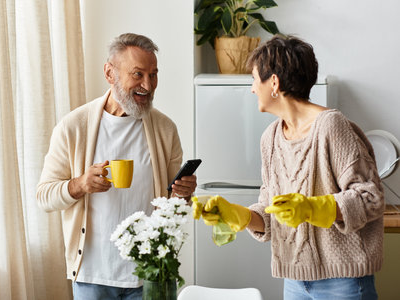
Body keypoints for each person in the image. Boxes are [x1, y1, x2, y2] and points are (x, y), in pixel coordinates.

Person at [194, 35, 384, 300]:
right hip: (294, 281)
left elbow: (370, 198)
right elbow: (271, 214)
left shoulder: (331, 126)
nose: (251, 88)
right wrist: (239, 214)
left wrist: (311, 208)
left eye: (253, 79)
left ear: (274, 82)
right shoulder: (270, 138)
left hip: (343, 281)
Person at [36, 33, 197, 300]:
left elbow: (175, 209)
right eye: (138, 74)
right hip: (92, 276)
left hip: (151, 275)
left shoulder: (165, 129)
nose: (148, 84)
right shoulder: (73, 127)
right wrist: (80, 185)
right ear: (110, 73)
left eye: (153, 74)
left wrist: (182, 194)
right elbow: (44, 196)